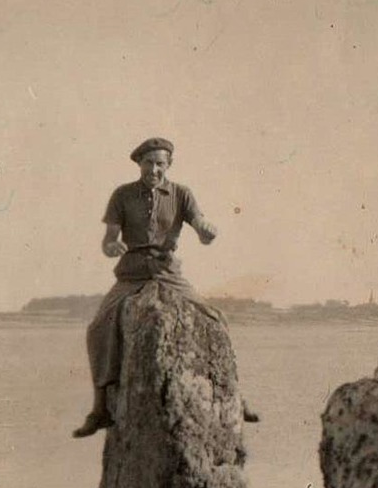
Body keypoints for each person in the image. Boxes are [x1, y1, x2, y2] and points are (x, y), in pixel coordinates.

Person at [73, 137, 258, 436]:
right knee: (97, 328)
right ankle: (100, 409)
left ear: (168, 165)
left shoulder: (181, 194)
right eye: (149, 163)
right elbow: (109, 240)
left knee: (216, 319)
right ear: (139, 164)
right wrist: (112, 247)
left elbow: (199, 224)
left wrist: (205, 232)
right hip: (132, 272)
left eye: (161, 163)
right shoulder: (122, 195)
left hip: (167, 270)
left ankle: (232, 395)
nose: (154, 169)